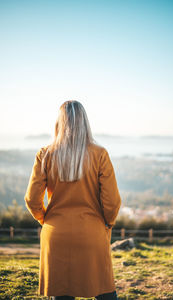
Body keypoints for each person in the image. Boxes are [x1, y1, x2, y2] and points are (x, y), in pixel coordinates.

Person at [24, 100, 122, 300]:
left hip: (55, 234)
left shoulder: (45, 154)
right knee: (104, 293)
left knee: (62, 295)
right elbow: (112, 202)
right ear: (85, 122)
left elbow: (32, 199)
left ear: (59, 123)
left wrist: (46, 220)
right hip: (92, 233)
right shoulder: (100, 154)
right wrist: (107, 223)